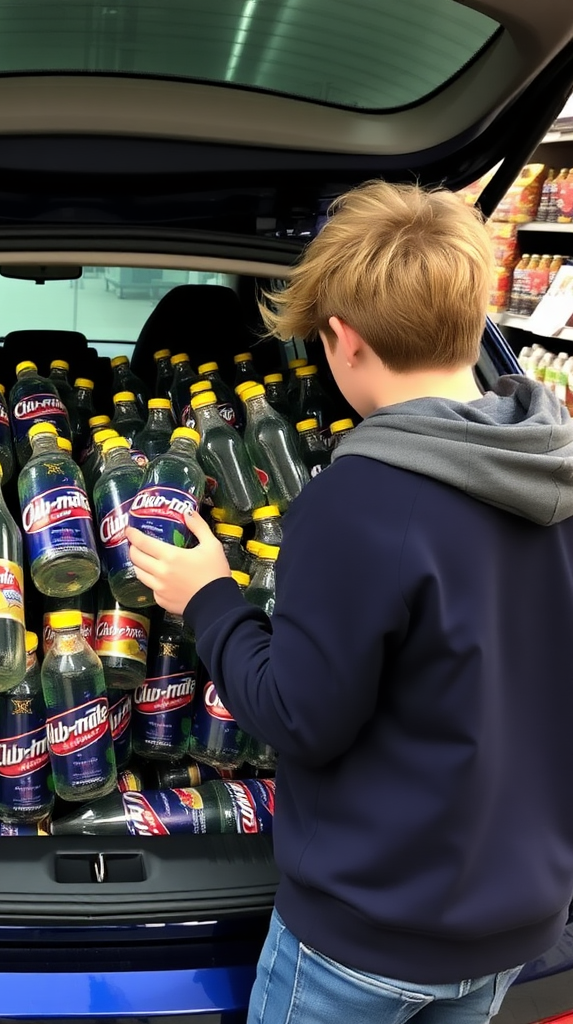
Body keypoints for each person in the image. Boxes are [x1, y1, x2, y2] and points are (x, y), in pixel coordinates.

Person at [126, 180, 573, 1024]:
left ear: (342, 339)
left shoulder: (362, 499)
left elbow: (301, 715)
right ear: (473, 318)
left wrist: (211, 599)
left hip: (372, 936)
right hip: (516, 919)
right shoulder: (557, 466)